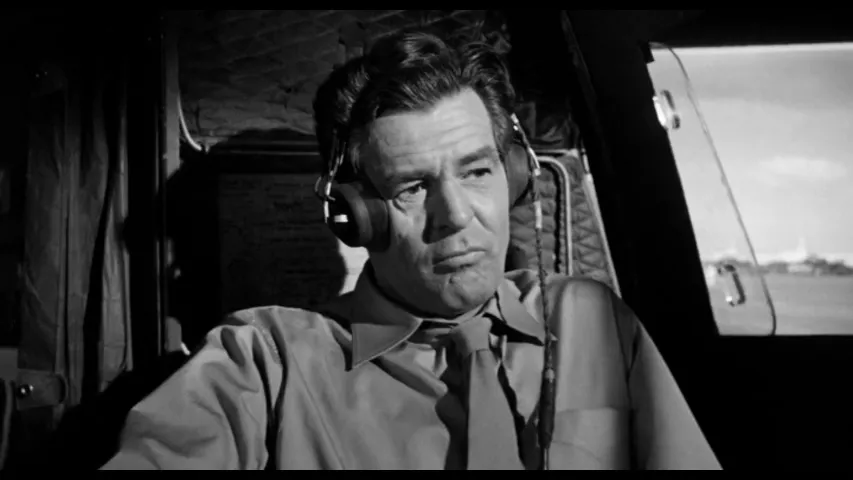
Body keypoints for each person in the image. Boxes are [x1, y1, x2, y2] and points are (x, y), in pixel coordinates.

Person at [100, 30, 721, 471]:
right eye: (413, 187)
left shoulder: (590, 318)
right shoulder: (263, 363)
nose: (457, 216)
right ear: (356, 214)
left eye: (477, 171)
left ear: (514, 175)